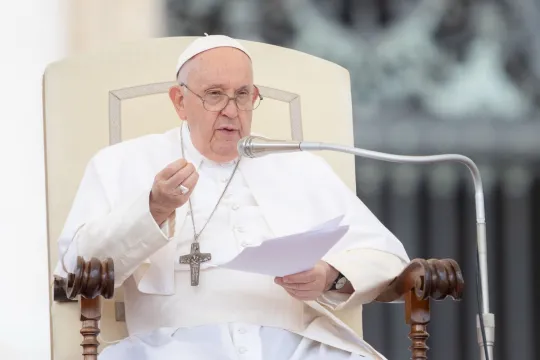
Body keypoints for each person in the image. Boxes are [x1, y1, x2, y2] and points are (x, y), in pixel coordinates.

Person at [54, 34, 410, 360]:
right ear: (180, 101)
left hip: (293, 347)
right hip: (171, 348)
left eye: (243, 94)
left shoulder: (299, 166)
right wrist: (152, 209)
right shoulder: (123, 162)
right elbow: (75, 267)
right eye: (214, 94)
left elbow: (387, 254)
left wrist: (330, 275)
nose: (231, 110)